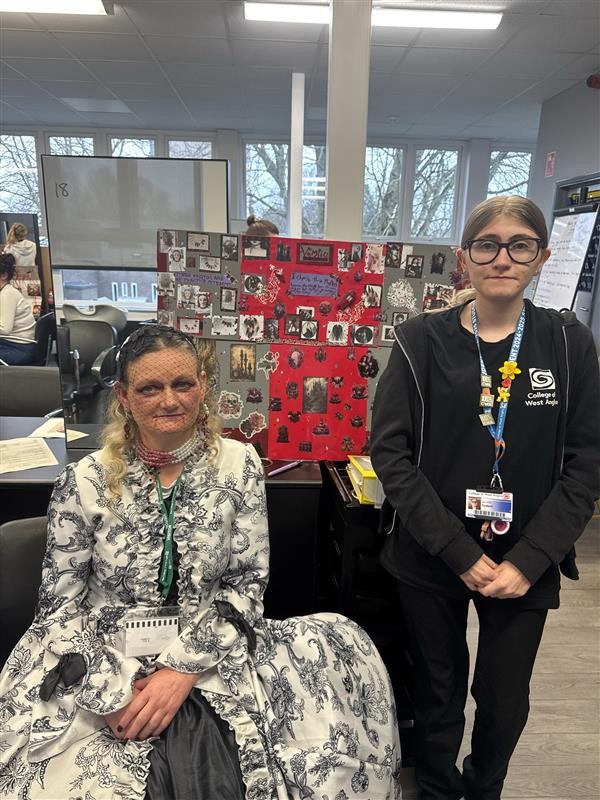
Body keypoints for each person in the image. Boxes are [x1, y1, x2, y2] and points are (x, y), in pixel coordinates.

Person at [0, 325, 401, 799]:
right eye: (150, 387)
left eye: (182, 384)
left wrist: (181, 670)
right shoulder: (83, 480)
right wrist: (107, 693)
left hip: (209, 640)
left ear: (203, 387)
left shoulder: (240, 465)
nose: (169, 400)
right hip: (105, 650)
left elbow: (247, 584)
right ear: (124, 397)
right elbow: (58, 607)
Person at [371, 196, 600, 800]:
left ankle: (484, 787)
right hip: (431, 550)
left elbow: (587, 462)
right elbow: (391, 455)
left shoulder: (568, 344)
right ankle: (440, 788)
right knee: (437, 687)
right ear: (463, 259)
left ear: (542, 257)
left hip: (527, 558)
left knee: (503, 695)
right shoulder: (420, 340)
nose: (503, 257)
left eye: (520, 244)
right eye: (487, 245)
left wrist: (529, 560)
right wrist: (456, 551)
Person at [0, 252, 37, 364]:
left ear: (4, 275)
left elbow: (5, 329)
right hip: (17, 344)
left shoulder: (7, 294)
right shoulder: (7, 291)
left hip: (18, 348)